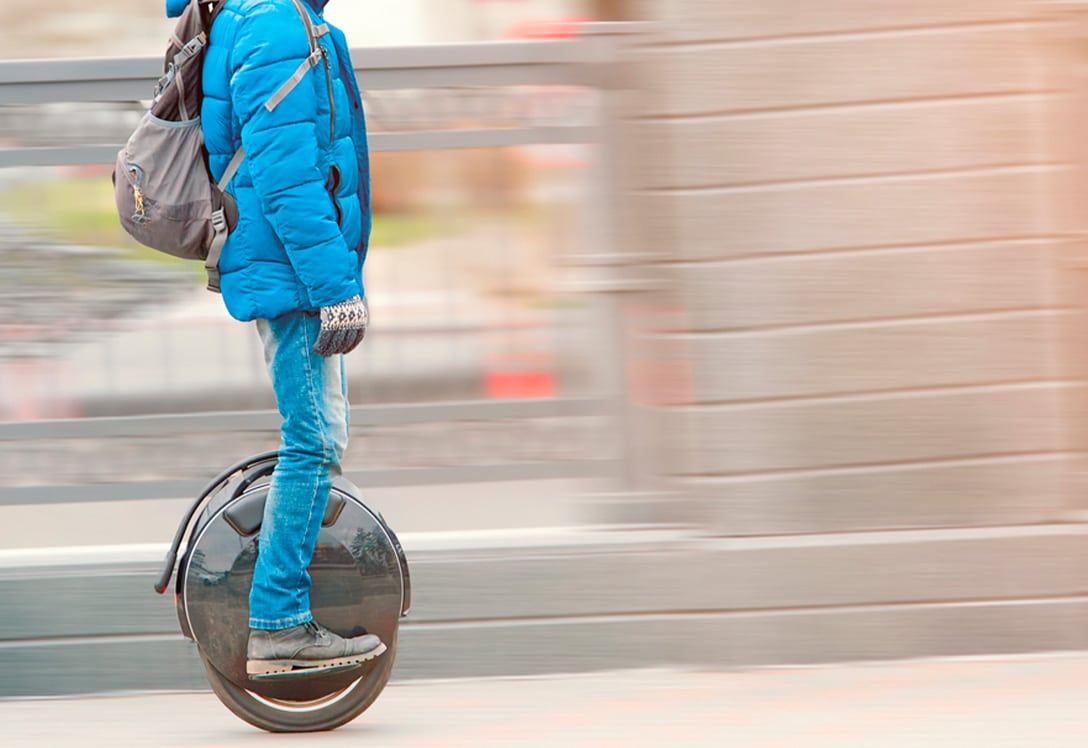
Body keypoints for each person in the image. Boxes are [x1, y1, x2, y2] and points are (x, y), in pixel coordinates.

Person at [164, 0, 383, 676]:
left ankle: (279, 612)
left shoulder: (259, 17)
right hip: (292, 276)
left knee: (317, 436)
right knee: (312, 441)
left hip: (284, 267)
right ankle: (278, 624)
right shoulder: (274, 24)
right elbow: (286, 179)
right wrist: (335, 289)